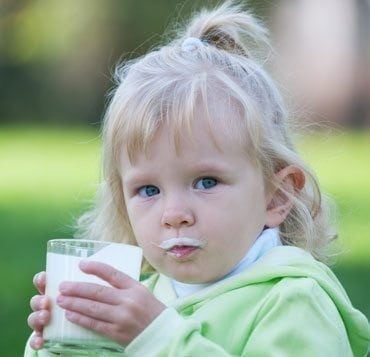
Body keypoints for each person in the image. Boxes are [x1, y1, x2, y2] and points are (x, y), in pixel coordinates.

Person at [25, 1, 370, 356]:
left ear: (277, 197)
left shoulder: (295, 301)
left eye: (206, 181)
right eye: (148, 189)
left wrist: (156, 337)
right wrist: (60, 343)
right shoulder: (151, 297)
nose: (174, 213)